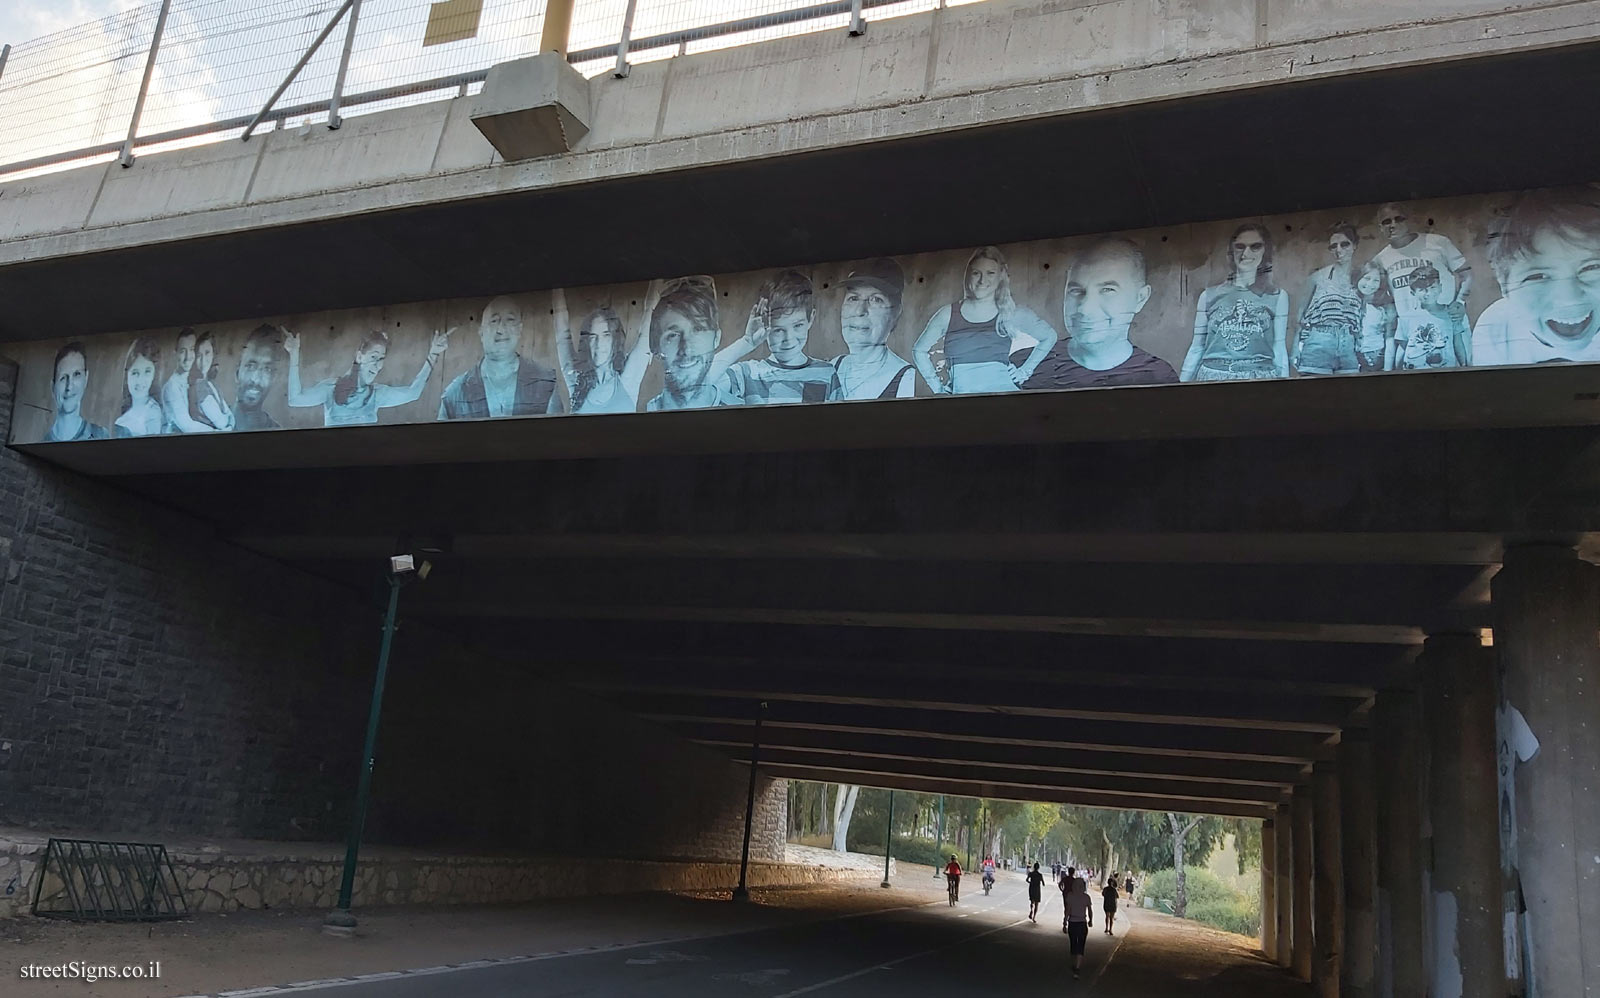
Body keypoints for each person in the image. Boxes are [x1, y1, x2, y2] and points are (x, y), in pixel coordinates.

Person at [1014, 237, 1178, 389]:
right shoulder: (1020, 365)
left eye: (1107, 290)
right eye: (1076, 290)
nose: (1084, 309)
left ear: (1140, 298)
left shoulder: (1159, 377)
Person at [1473, 186, 1600, 367]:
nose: (1569, 299)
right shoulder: (1496, 327)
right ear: (1505, 287)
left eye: (1592, 267)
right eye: (1538, 276)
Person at [913, 246, 1057, 394]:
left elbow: (1049, 336)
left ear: (1001, 276)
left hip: (1006, 399)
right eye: (976, 273)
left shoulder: (1010, 312)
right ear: (968, 275)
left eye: (990, 273)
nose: (983, 280)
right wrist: (938, 389)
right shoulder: (948, 314)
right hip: (962, 403)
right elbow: (919, 350)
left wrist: (1024, 371)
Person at [1179, 223, 1290, 382]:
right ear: (1231, 251)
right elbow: (1197, 347)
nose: (1246, 253)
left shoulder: (1277, 296)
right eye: (1240, 246)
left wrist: (1284, 387)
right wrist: (1180, 386)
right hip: (1213, 376)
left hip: (1259, 377)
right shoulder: (1209, 296)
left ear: (1266, 251)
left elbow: (1279, 348)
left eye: (1255, 247)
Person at [1372, 201, 1473, 369]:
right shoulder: (1380, 259)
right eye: (1386, 221)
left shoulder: (1438, 243)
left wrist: (1460, 302)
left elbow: (1467, 275)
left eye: (1399, 219)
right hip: (1413, 333)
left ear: (1409, 220)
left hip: (1449, 325)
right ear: (1380, 227)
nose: (1393, 225)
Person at [713, 270, 839, 405]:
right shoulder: (746, 374)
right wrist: (746, 342)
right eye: (778, 329)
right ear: (765, 326)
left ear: (811, 318)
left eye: (797, 326)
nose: (788, 339)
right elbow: (698, 385)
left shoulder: (827, 372)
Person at [287, 326, 451, 426]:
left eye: (381, 359)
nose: (378, 365)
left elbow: (413, 393)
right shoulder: (331, 388)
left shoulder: (377, 394)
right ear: (359, 357)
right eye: (373, 357)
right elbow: (295, 399)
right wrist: (294, 354)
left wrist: (433, 354)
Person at [438, 296, 563, 420]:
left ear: (520, 329)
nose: (501, 330)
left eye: (510, 320)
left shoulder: (545, 382)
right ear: (481, 332)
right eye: (494, 321)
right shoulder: (454, 394)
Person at [829, 258, 918, 401]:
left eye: (876, 299)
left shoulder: (908, 380)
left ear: (895, 313)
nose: (860, 311)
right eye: (853, 298)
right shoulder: (831, 368)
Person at [553, 289, 651, 414]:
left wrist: (656, 283)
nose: (599, 344)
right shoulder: (577, 382)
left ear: (614, 340)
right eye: (593, 336)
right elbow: (562, 335)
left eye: (606, 335)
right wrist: (556, 288)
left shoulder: (627, 381)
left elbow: (647, 328)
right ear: (587, 342)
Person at [644, 276, 726, 411]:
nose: (686, 349)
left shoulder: (746, 414)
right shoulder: (634, 412)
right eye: (673, 335)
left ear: (716, 338)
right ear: (655, 346)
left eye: (698, 329)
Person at [1293, 223, 1364, 375]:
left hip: (1349, 344)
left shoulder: (1363, 278)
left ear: (1355, 245)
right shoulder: (1317, 278)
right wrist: (1295, 349)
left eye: (1345, 244)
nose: (1339, 250)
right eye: (1334, 246)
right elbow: (1300, 316)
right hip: (1319, 341)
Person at [46, 342, 108, 442]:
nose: (69, 386)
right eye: (63, 378)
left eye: (77, 374)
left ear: (86, 378)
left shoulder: (101, 436)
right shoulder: (43, 443)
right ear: (53, 387)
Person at [161, 327, 215, 433]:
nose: (188, 357)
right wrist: (219, 431)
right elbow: (186, 425)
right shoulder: (171, 387)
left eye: (191, 350)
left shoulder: (197, 381)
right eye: (182, 351)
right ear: (175, 353)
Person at [233, 325, 283, 431]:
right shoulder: (211, 424)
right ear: (237, 373)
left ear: (273, 378)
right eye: (250, 366)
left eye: (267, 369)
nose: (255, 380)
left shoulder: (279, 434)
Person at [113, 336, 164, 438]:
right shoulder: (121, 420)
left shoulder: (153, 413)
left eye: (147, 372)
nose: (140, 380)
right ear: (127, 375)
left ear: (154, 375)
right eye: (135, 373)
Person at [1354, 261, 1396, 372]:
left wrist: (1387, 370)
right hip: (1350, 357)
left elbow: (1389, 339)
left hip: (1374, 357)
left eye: (1376, 280)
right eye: (1367, 278)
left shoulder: (1385, 305)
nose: (1370, 284)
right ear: (1358, 277)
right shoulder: (1349, 300)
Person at [188, 330, 232, 430]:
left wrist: (228, 423)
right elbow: (222, 423)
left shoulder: (212, 384)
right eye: (199, 355)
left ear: (213, 355)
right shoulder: (199, 387)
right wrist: (228, 424)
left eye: (207, 353)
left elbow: (230, 416)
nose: (203, 360)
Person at [1065, 877, 1093, 978]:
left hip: (1072, 922)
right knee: (1081, 945)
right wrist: (1090, 920)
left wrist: (1064, 922)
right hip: (1082, 923)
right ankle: (1077, 968)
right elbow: (1090, 910)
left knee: (1073, 944)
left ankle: (1074, 965)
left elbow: (1068, 910)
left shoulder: (1070, 896)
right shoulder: (1086, 897)